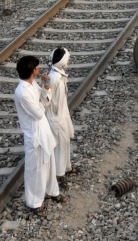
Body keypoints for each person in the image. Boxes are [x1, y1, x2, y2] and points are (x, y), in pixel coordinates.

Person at [14, 55, 64, 216]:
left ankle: (51, 190)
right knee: (35, 169)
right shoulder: (22, 92)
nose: (38, 69)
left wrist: (45, 87)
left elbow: (43, 102)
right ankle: (34, 202)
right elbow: (38, 113)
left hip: (43, 131)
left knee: (49, 164)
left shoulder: (32, 84)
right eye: (36, 67)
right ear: (32, 71)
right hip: (34, 134)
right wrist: (43, 100)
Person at [46, 48, 77, 181]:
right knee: (60, 143)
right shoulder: (54, 78)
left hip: (61, 114)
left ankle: (66, 167)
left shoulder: (59, 74)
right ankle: (59, 173)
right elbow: (46, 99)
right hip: (56, 116)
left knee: (65, 142)